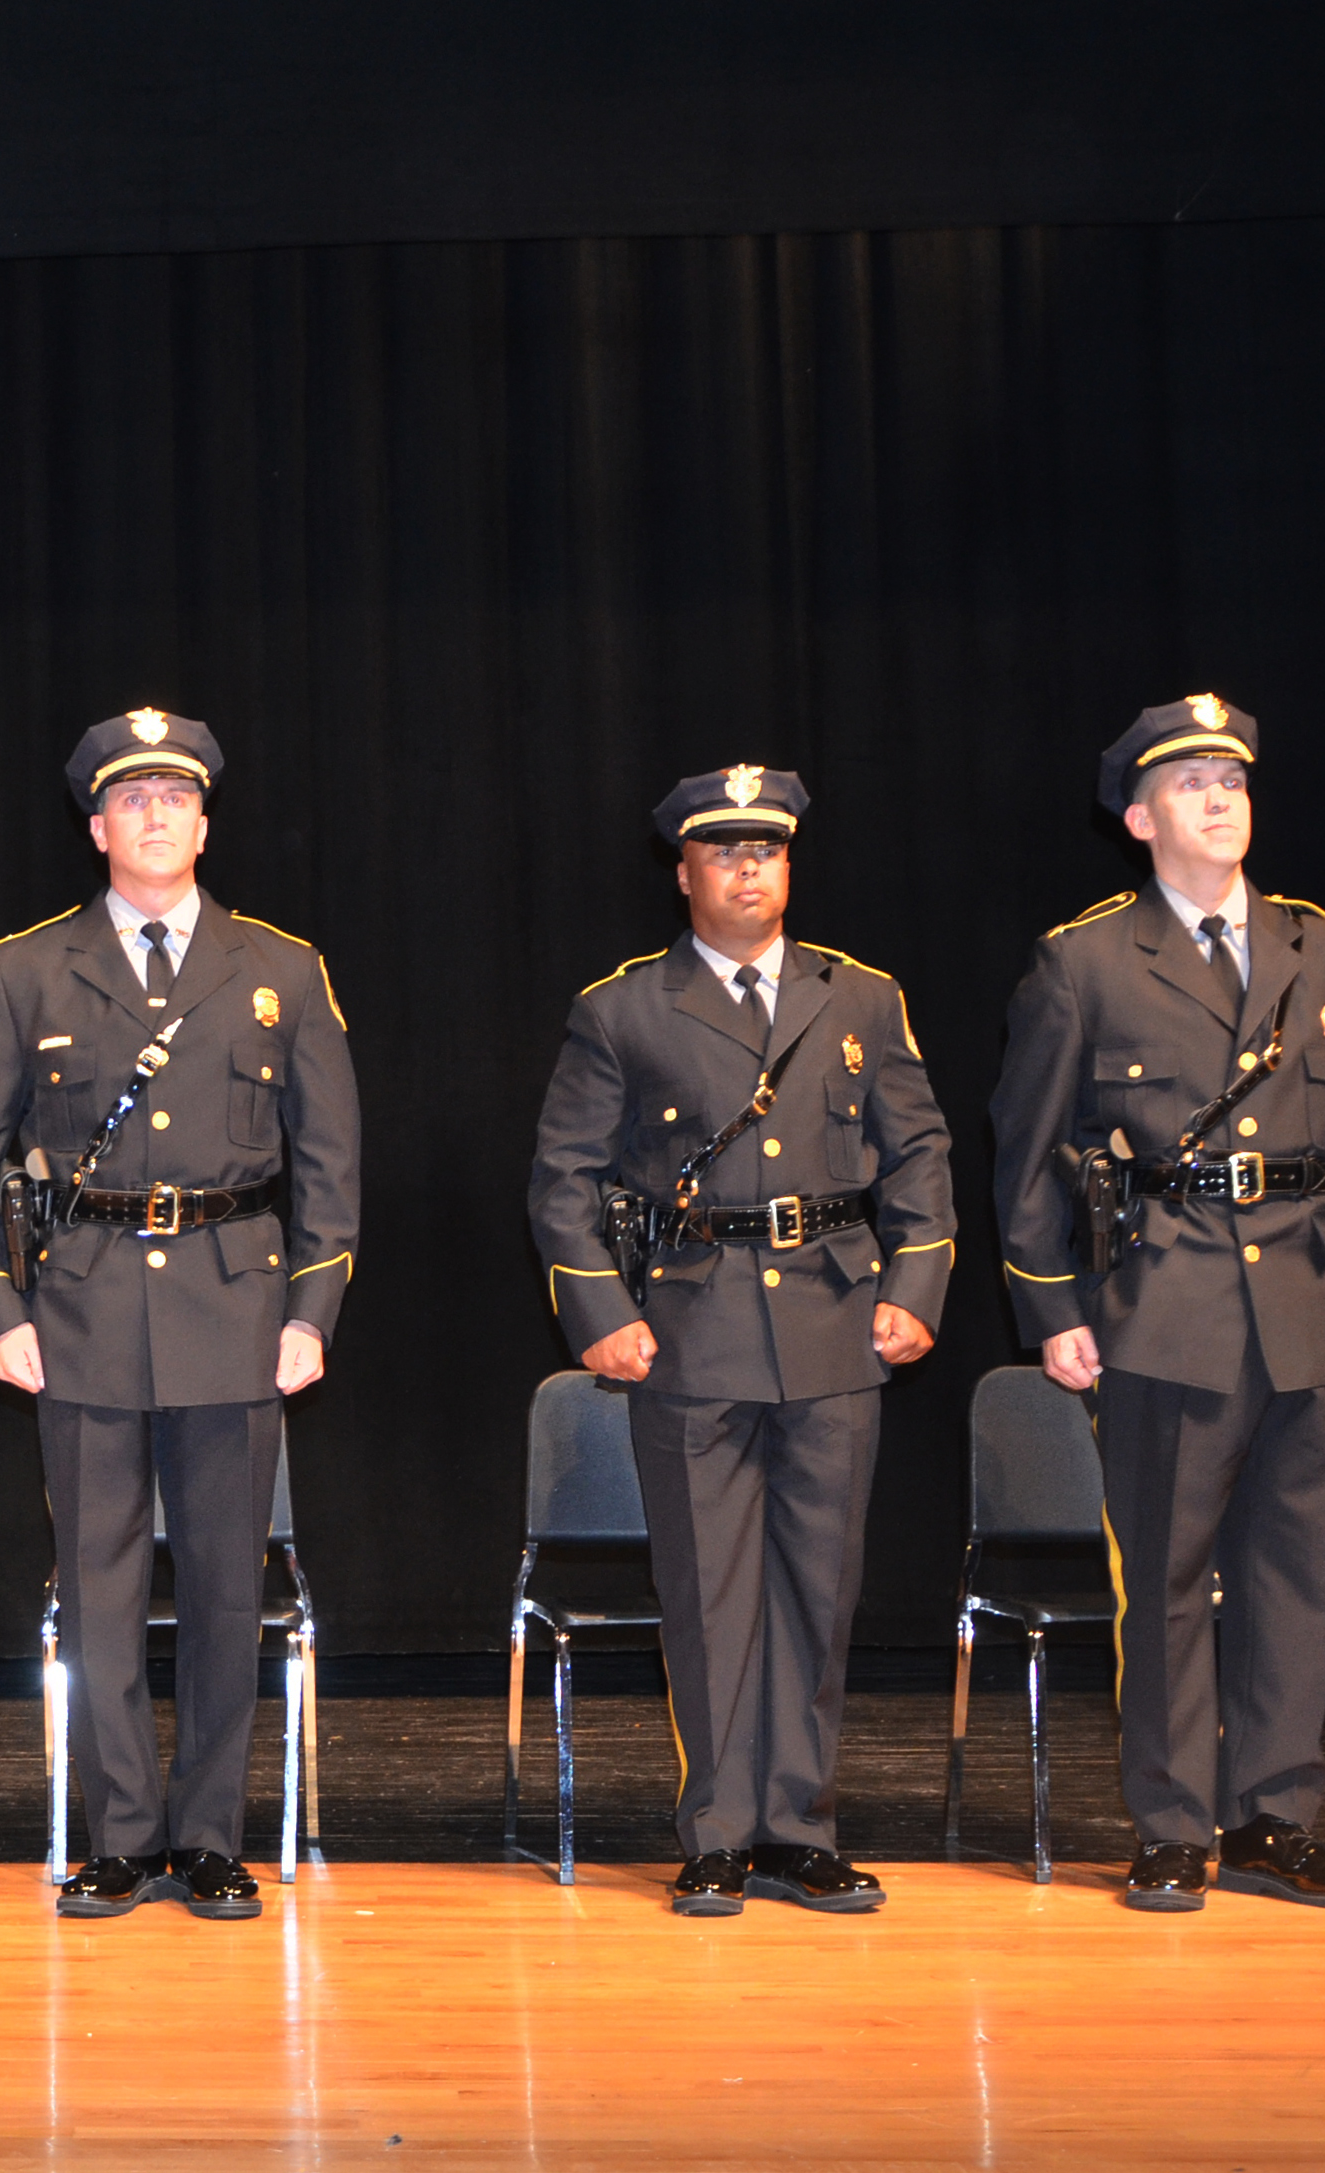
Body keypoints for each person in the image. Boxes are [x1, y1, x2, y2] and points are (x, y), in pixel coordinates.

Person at [0, 707, 361, 1920]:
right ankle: (123, 1835)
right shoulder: (25, 969)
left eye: (176, 795)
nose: (156, 813)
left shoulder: (281, 967)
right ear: (96, 824)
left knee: (229, 1584)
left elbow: (330, 1163)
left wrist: (312, 1310)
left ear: (207, 821)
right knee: (99, 1584)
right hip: (80, 1311)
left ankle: (211, 1836)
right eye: (133, 798)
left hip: (236, 1304)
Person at [991, 695, 1325, 1911]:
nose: (1220, 795)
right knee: (1168, 1577)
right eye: (1188, 782)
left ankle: (1276, 1815)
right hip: (1164, 1298)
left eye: (1232, 776)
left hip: (1317, 1296)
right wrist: (1052, 1308)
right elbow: (1025, 1155)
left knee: (1298, 1573)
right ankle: (1173, 1822)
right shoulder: (1084, 960)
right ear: (1137, 817)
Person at [524, 766, 955, 1916]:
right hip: (693, 1325)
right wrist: (602, 1312)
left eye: (767, 849)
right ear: (684, 872)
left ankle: (799, 1827)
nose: (748, 868)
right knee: (710, 1593)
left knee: (820, 1585)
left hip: (831, 1322)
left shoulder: (859, 997)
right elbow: (562, 1179)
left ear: (789, 867)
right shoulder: (622, 1007)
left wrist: (916, 1284)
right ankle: (717, 1828)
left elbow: (919, 1155)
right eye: (724, 851)